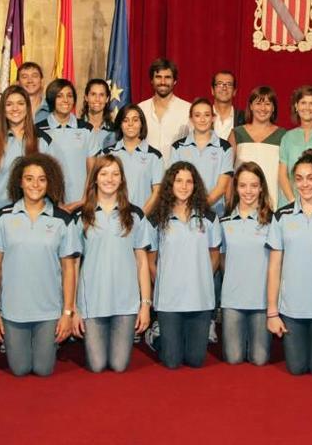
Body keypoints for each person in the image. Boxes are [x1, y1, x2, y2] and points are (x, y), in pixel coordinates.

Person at [0, 153, 80, 377]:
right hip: (13, 309)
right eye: (29, 178)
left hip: (48, 310)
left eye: (41, 179)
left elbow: (69, 269)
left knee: (43, 369)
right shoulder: (2, 218)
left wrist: (67, 312)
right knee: (19, 369)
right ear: (20, 181)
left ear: (49, 183)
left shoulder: (62, 220)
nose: (35, 185)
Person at [73, 155, 152, 373]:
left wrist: (145, 305)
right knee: (97, 366)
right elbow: (73, 265)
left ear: (122, 179)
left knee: (118, 366)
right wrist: (73, 309)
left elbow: (142, 262)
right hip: (92, 301)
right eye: (104, 173)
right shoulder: (81, 216)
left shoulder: (135, 215)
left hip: (125, 302)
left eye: (115, 174)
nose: (110, 179)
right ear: (95, 178)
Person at [266, 150, 312, 376]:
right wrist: (272, 312)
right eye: (299, 178)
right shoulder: (282, 216)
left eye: (311, 178)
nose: (305, 184)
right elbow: (275, 266)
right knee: (295, 369)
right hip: (292, 308)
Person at [147, 162, 222, 369]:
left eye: (189, 181)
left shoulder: (208, 217)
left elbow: (214, 255)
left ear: (195, 185)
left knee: (196, 360)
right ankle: (155, 336)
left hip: (200, 298)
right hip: (169, 300)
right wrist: (164, 284)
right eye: (178, 181)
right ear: (170, 184)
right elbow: (150, 261)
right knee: (172, 361)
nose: (183, 186)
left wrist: (202, 278)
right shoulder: (156, 218)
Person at [220, 162, 274, 365]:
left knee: (260, 360)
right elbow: (222, 260)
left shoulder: (272, 222)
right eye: (243, 185)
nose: (248, 191)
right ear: (236, 187)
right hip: (232, 300)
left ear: (261, 187)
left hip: (261, 301)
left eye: (253, 185)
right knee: (233, 360)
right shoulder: (224, 221)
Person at [0, 85, 52, 210]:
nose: (15, 108)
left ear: (27, 107)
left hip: (33, 216)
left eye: (20, 103)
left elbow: (50, 182)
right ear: (3, 109)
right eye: (9, 104)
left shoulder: (42, 140)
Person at [36, 78, 99, 210]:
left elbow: (92, 169)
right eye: (60, 96)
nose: (66, 100)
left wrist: (84, 199)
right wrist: (55, 203)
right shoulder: (38, 130)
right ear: (52, 99)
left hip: (82, 203)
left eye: (69, 96)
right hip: (48, 204)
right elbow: (36, 171)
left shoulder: (86, 129)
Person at [169, 98, 234, 216]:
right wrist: (187, 211)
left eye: (207, 115)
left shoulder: (225, 147)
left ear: (213, 118)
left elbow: (222, 187)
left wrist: (198, 209)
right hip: (183, 214)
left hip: (215, 214)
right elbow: (173, 183)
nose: (202, 119)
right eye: (197, 115)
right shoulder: (177, 147)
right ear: (191, 119)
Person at [228, 86, 286, 209]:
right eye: (258, 103)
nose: (263, 108)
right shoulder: (236, 133)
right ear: (251, 106)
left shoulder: (283, 135)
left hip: (273, 203)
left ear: (273, 107)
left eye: (267, 104)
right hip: (242, 202)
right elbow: (227, 172)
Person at [101, 104, 164, 214]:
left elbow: (157, 192)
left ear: (141, 124)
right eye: (125, 120)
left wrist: (140, 217)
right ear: (120, 124)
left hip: (144, 221)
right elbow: (100, 189)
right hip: (113, 219)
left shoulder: (154, 156)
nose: (130, 124)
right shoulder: (107, 154)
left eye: (135, 120)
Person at [138, 58, 191, 165]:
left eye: (167, 77)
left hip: (176, 176)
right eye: (158, 77)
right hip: (145, 174)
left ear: (175, 81)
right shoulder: (140, 109)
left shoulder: (188, 110)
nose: (163, 82)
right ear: (152, 80)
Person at [211, 71, 245, 140]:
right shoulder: (200, 116)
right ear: (212, 90)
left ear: (234, 91)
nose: (224, 88)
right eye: (219, 84)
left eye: (229, 84)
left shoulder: (244, 118)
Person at [81, 78, 114, 151]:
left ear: (107, 99)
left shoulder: (115, 131)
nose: (97, 99)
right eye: (93, 94)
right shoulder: (76, 127)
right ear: (86, 97)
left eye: (101, 95)